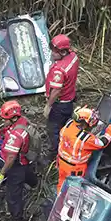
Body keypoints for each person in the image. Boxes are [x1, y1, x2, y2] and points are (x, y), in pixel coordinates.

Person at [57, 107, 111, 193]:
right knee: (73, 189)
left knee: (62, 182)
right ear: (84, 123)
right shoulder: (84, 139)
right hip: (75, 169)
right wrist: (110, 129)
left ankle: (59, 195)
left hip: (61, 162)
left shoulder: (69, 125)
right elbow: (102, 143)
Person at [0, 101, 39, 221]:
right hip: (25, 160)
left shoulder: (16, 135)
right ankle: (35, 183)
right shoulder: (23, 121)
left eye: (6, 119)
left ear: (14, 118)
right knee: (28, 173)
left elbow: (10, 158)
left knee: (13, 195)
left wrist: (1, 173)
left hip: (16, 165)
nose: (3, 122)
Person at [43, 34, 80, 163]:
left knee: (53, 130)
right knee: (66, 127)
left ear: (63, 52)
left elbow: (56, 90)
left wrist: (48, 105)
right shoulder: (74, 57)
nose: (52, 53)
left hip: (59, 105)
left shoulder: (59, 70)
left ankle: (54, 155)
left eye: (55, 51)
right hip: (69, 100)